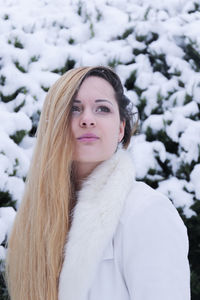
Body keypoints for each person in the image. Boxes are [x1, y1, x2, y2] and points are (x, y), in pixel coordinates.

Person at [6, 66, 190, 300]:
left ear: (121, 129)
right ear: (53, 125)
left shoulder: (147, 212)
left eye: (102, 109)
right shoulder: (35, 219)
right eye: (74, 109)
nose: (87, 120)